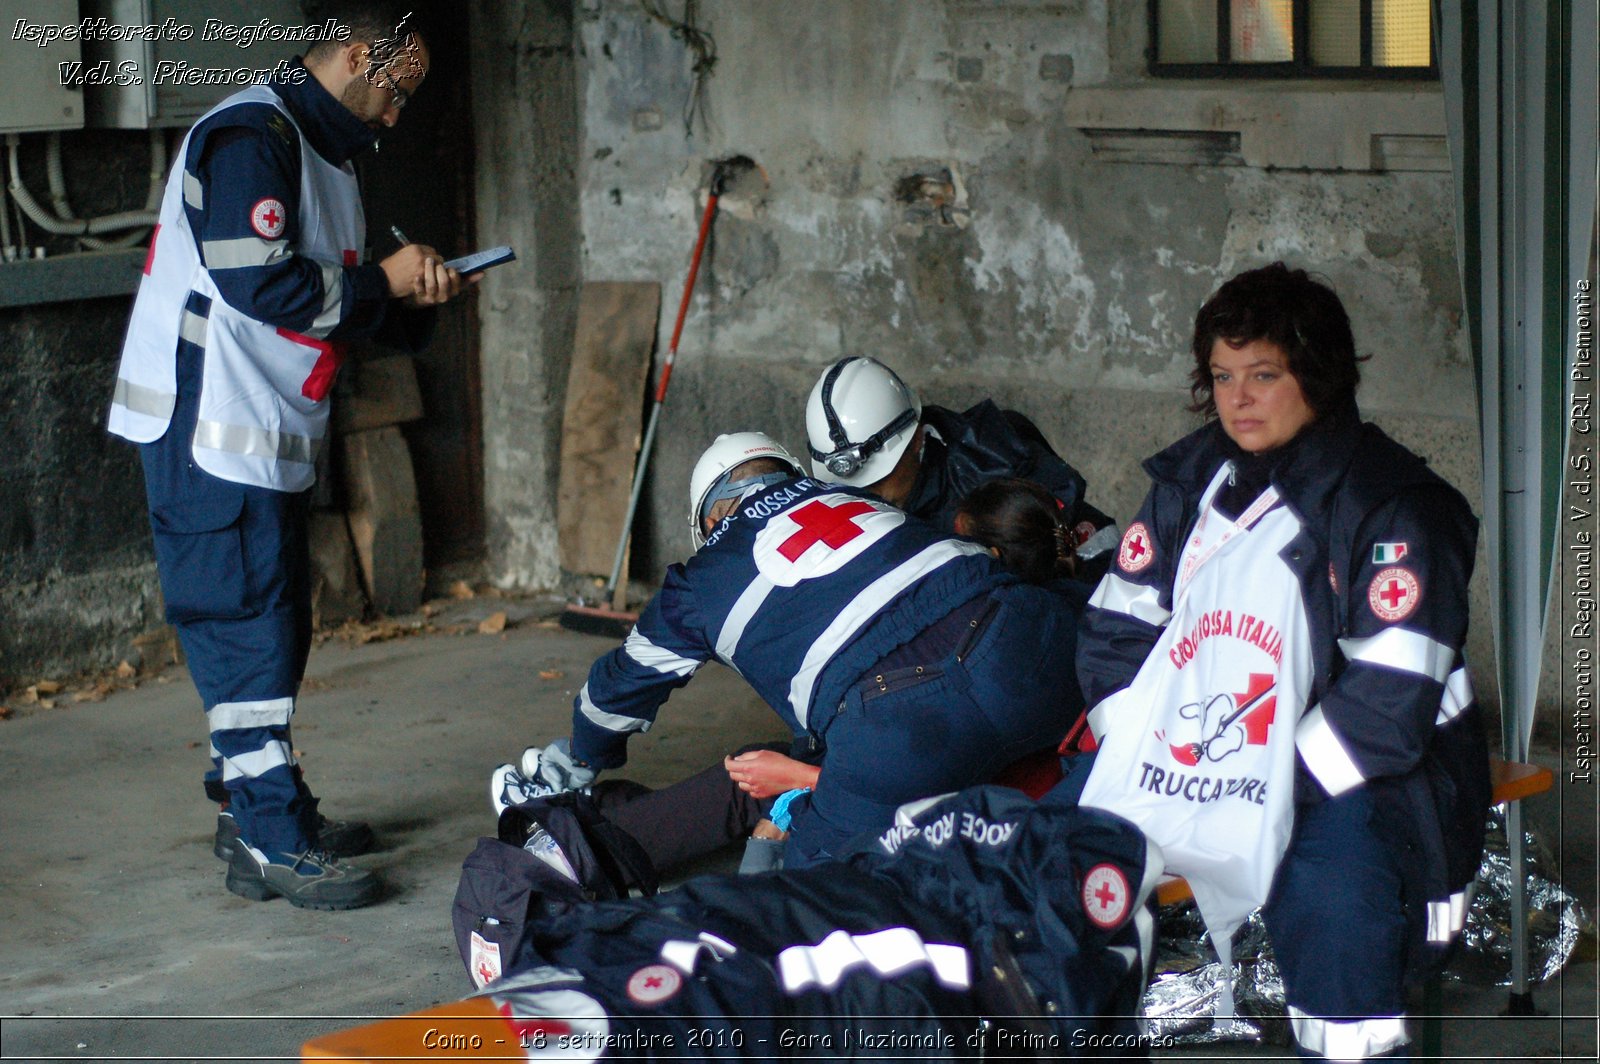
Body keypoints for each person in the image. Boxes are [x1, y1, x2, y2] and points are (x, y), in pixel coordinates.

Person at [1071, 263, 1489, 1059]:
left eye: (1263, 375)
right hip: (1186, 755)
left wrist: (1257, 787)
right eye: (1223, 376)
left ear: (1318, 377)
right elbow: (1113, 630)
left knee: (1337, 904)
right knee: (1056, 863)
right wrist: (1144, 749)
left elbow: (1389, 702)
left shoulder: (1396, 503)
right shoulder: (1190, 478)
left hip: (1358, 769)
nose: (1237, 398)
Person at [107, 2, 473, 910]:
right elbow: (260, 280)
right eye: (393, 92)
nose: (396, 117)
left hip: (258, 432)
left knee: (271, 627)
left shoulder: (326, 158)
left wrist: (403, 297)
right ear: (354, 55)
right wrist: (377, 282)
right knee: (245, 633)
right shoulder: (249, 136)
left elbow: (332, 301)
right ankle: (271, 837)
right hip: (206, 430)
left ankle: (254, 807)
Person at [495, 433, 1086, 869]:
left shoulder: (700, 582)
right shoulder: (868, 505)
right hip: (1037, 651)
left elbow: (616, 693)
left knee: (804, 900)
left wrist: (574, 759)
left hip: (898, 729)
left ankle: (573, 835)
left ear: (707, 520)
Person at [804, 356, 1118, 577]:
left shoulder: (1001, 459)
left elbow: (1098, 560)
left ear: (916, 439)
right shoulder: (835, 505)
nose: (868, 498)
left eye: (879, 478)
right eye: (854, 487)